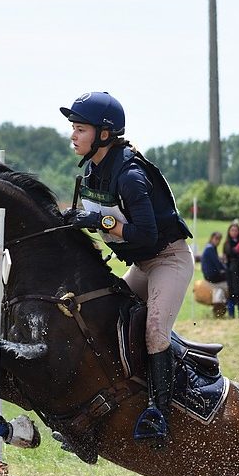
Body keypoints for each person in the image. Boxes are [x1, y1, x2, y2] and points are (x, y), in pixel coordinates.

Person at [60, 91, 194, 444]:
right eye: (73, 128)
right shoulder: (94, 170)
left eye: (80, 129)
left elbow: (146, 235)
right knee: (101, 317)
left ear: (104, 134)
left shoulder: (130, 175)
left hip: (167, 260)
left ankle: (159, 416)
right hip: (141, 264)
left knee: (154, 332)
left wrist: (100, 221)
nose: (73, 135)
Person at [222, 220, 239, 319]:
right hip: (231, 270)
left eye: (236, 230)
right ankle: (231, 314)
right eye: (232, 230)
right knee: (232, 292)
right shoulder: (227, 243)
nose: (234, 232)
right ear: (229, 231)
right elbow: (231, 253)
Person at [201, 231, 229, 310]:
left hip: (210, 275)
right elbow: (218, 264)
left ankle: (220, 302)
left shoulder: (210, 247)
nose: (218, 241)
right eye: (216, 239)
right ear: (212, 238)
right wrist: (227, 269)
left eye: (219, 239)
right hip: (212, 276)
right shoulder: (210, 248)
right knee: (231, 278)